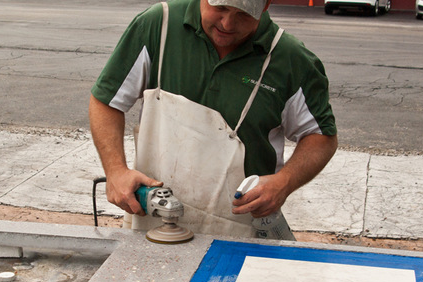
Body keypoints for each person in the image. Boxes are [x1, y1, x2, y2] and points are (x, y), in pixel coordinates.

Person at [89, 0, 337, 239]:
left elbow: (321, 137)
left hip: (240, 233)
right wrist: (116, 171)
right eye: (220, 8)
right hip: (151, 225)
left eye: (243, 13)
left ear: (266, 4)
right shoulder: (158, 26)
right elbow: (106, 102)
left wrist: (284, 182)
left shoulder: (292, 60)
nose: (228, 24)